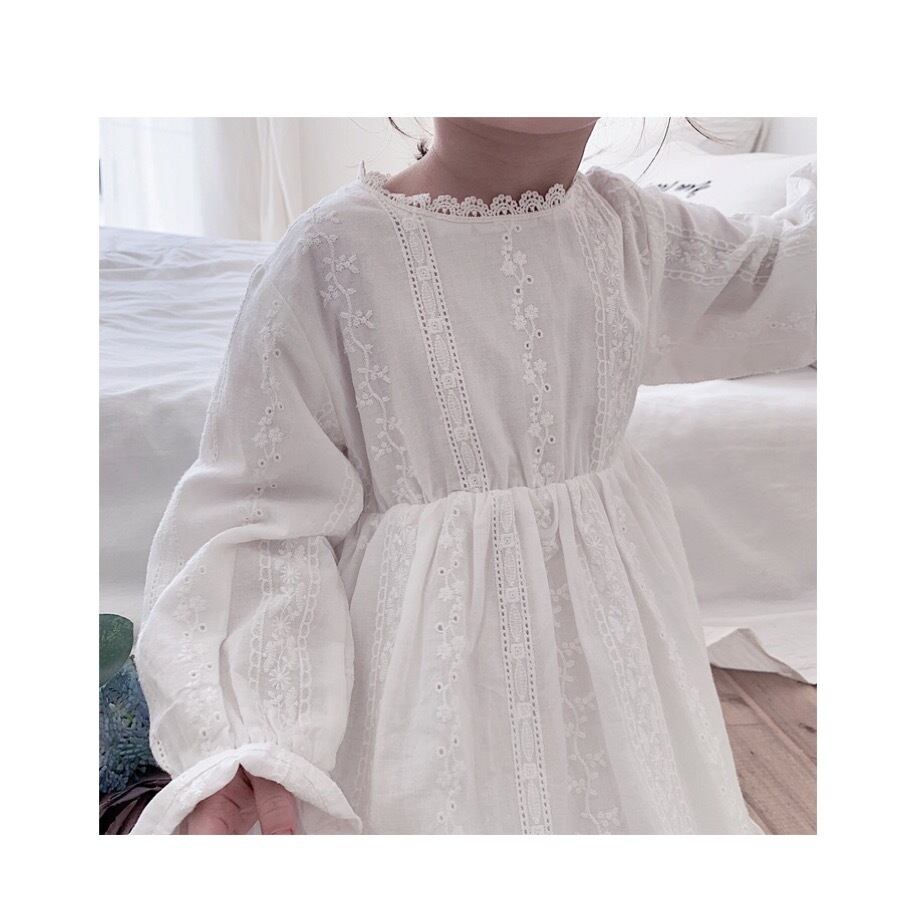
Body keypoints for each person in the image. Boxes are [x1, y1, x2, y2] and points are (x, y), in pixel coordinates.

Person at [132, 118, 816, 834]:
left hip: (617, 671)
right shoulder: (335, 252)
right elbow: (260, 514)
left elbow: (789, 284)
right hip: (425, 697)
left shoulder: (630, 233)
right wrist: (255, 733)